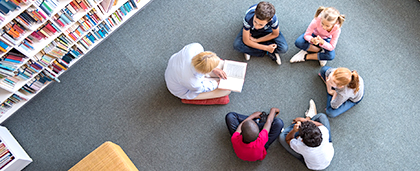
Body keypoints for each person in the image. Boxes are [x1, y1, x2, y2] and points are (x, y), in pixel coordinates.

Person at [279, 99, 334, 170]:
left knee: (282, 137)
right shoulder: (324, 131)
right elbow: (320, 125)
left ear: (301, 140)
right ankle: (308, 118)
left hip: (312, 166)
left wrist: (294, 130)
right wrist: (303, 120)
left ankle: (302, 123)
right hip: (328, 158)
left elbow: (288, 139)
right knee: (321, 117)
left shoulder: (301, 147)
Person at [164, 43, 231, 100]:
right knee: (225, 91)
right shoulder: (193, 83)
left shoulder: (195, 47)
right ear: (205, 71)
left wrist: (214, 69)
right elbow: (202, 87)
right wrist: (216, 84)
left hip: (175, 69)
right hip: (183, 89)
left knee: (221, 65)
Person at [233, 1, 288, 65]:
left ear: (269, 20)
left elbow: (275, 34)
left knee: (283, 48)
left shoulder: (273, 19)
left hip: (267, 30)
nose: (256, 26)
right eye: (255, 22)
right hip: (251, 30)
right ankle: (268, 51)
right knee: (237, 45)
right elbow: (246, 41)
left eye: (260, 25)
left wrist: (256, 40)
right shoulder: (248, 17)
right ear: (255, 14)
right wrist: (266, 48)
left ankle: (250, 49)